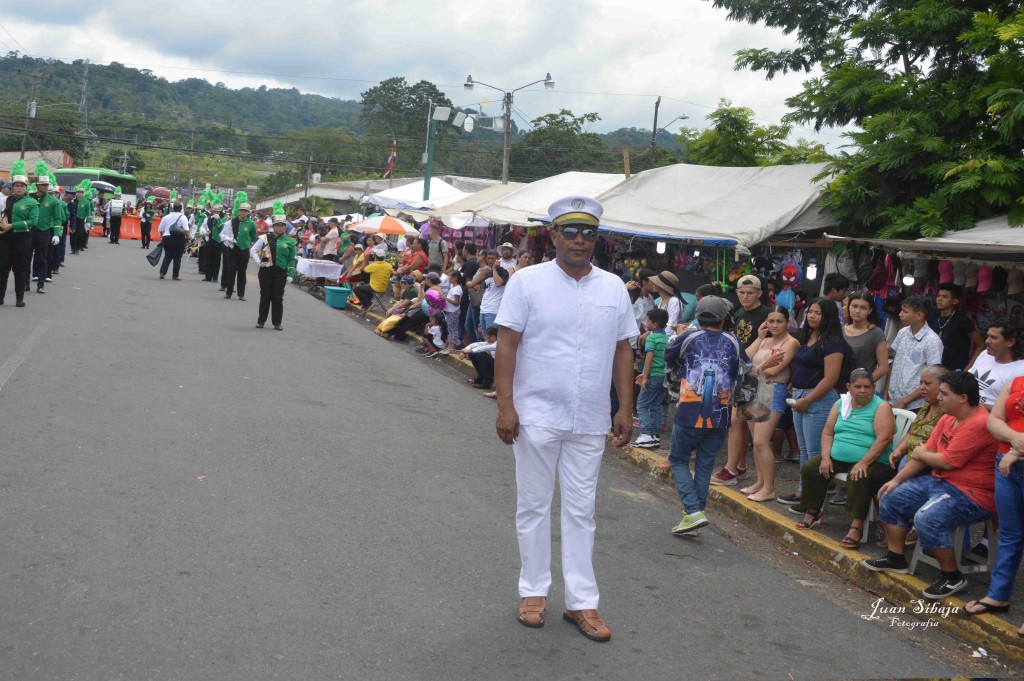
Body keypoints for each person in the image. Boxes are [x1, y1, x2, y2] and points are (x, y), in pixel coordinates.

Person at [493, 196, 635, 643]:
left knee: (581, 511)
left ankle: (581, 602)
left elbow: (623, 349)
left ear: (596, 239)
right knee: (533, 506)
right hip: (536, 414)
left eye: (588, 233)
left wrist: (625, 407)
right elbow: (507, 343)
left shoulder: (613, 287)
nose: (579, 240)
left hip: (589, 418)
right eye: (570, 231)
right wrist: (505, 406)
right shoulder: (527, 282)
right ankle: (533, 592)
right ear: (553, 235)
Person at [863, 371, 998, 599]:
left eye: (944, 394)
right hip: (941, 481)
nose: (939, 397)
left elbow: (947, 462)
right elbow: (925, 454)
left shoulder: (978, 423)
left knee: (926, 518)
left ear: (962, 397)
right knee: (889, 495)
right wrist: (896, 480)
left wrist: (922, 453)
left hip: (972, 494)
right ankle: (896, 558)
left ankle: (952, 576)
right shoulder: (948, 417)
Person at [665, 296, 782, 534]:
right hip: (721, 415)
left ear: (699, 315)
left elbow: (669, 355)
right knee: (705, 465)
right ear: (724, 318)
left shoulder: (689, 337)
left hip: (688, 411)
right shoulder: (733, 340)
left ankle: (693, 511)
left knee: (678, 460)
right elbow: (746, 371)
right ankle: (694, 517)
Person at [794, 369, 896, 549]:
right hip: (839, 456)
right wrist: (825, 457)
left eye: (867, 387)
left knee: (858, 475)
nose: (862, 390)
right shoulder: (841, 404)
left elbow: (884, 438)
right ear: (849, 387)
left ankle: (857, 525)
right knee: (811, 468)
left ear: (874, 387)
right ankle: (813, 511)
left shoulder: (881, 407)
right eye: (858, 386)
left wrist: (863, 462)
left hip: (872, 459)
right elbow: (827, 432)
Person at [964, 375, 1024, 628]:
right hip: (1006, 464)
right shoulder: (1017, 382)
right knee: (1010, 533)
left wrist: (1017, 450)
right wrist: (1014, 439)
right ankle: (998, 595)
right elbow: (994, 420)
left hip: (1011, 458)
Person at [777, 297, 847, 509]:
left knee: (815, 453)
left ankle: (813, 502)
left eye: (818, 313)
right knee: (805, 450)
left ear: (828, 317)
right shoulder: (807, 337)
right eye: (810, 312)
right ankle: (803, 491)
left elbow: (831, 378)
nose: (812, 316)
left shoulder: (833, 343)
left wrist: (807, 400)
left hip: (819, 401)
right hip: (800, 397)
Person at [712, 274, 771, 486]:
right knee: (739, 422)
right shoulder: (738, 312)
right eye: (742, 292)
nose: (745, 296)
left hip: (756, 373)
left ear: (759, 293)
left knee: (743, 424)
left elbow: (768, 344)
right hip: (740, 372)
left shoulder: (767, 314)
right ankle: (738, 466)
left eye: (750, 293)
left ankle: (734, 470)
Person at [740, 305, 800, 502]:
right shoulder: (764, 340)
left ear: (787, 322)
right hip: (753, 388)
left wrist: (759, 368)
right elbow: (744, 360)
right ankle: (760, 482)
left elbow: (773, 371)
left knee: (761, 441)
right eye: (771, 321)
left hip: (773, 389)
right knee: (756, 441)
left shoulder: (791, 342)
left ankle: (769, 488)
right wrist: (759, 338)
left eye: (779, 321)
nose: (774, 325)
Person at [886, 296, 943, 411]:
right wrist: (885, 393)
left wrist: (905, 401)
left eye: (905, 311)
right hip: (892, 399)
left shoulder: (932, 341)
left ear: (919, 315)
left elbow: (933, 378)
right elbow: (894, 365)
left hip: (915, 405)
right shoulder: (902, 333)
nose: (900, 314)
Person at [250, 203, 297, 330]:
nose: (280, 227)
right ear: (274, 226)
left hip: (280, 272)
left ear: (285, 227)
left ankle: (277, 322)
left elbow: (291, 259)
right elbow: (253, 250)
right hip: (266, 271)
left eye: (282, 225)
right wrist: (258, 262)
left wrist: (291, 274)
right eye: (278, 225)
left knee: (277, 297)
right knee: (265, 296)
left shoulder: (290, 241)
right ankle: (261, 321)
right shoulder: (265, 238)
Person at [632, 308, 670, 449]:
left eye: (648, 321)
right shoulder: (666, 338)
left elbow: (649, 358)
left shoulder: (651, 338)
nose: (646, 323)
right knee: (655, 406)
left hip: (652, 376)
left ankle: (646, 434)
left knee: (641, 405)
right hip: (662, 377)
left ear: (654, 324)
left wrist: (645, 376)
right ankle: (654, 436)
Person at [0, 162, 37, 307]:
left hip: (22, 238)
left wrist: (12, 225)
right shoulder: (5, 200)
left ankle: (19, 298)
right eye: (16, 185)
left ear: (26, 188)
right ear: (12, 187)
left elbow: (33, 221)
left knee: (19, 269)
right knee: (2, 268)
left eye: (22, 186)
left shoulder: (32, 202)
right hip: (5, 237)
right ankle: (1, 297)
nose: (19, 188)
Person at [967, 319, 1024, 409]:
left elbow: (1012, 409)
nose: (987, 341)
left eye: (993, 337)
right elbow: (967, 379)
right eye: (988, 336)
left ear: (1010, 342)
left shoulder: (1020, 370)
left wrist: (974, 405)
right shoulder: (985, 354)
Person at [929, 283, 984, 371]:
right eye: (938, 296)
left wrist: (969, 368)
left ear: (955, 301)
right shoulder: (933, 317)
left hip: (955, 371)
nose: (939, 299)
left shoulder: (962, 320)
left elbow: (981, 344)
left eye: (945, 297)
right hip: (934, 369)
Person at [29, 171, 61, 294]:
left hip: (43, 232)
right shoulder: (29, 197)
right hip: (29, 231)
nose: (45, 187)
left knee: (42, 258)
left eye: (47, 184)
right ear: (37, 185)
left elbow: (57, 218)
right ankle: (25, 282)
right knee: (26, 258)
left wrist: (57, 233)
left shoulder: (53, 201)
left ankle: (41, 284)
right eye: (43, 184)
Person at [220, 196, 257, 301]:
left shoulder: (251, 224)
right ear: (239, 211)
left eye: (245, 211)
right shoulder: (232, 222)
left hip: (244, 250)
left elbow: (254, 237)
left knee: (242, 272)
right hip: (232, 249)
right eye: (241, 210)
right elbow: (223, 234)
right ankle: (229, 292)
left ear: (248, 212)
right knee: (231, 270)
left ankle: (241, 294)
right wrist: (229, 239)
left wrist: (248, 243)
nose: (243, 212)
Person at [477, 250, 508, 335]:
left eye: (493, 258)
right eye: (488, 258)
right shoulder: (489, 273)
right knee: (485, 337)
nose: (490, 261)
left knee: (492, 337)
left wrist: (494, 269)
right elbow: (485, 289)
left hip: (493, 310)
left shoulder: (503, 272)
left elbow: (498, 283)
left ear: (498, 259)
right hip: (483, 309)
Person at [158, 203, 190, 281]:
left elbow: (161, 229)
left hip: (167, 237)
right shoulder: (183, 217)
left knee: (167, 255)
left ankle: (162, 273)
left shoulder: (166, 217)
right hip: (179, 238)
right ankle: (175, 275)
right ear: (181, 209)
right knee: (177, 257)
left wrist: (162, 237)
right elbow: (186, 229)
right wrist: (188, 238)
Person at [461, 326, 498, 390]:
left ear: (492, 337)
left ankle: (487, 381)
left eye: (486, 336)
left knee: (481, 354)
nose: (485, 337)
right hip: (494, 366)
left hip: (499, 368)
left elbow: (485, 348)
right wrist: (464, 351)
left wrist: (471, 350)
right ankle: (481, 376)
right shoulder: (489, 342)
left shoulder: (498, 343)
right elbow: (474, 345)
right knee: (473, 353)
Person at [444, 270, 464, 353]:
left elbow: (456, 302)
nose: (448, 278)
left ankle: (451, 348)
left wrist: (446, 298)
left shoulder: (457, 289)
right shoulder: (453, 288)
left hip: (453, 312)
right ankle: (449, 346)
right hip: (450, 311)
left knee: (453, 330)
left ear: (455, 278)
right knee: (450, 329)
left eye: (450, 277)